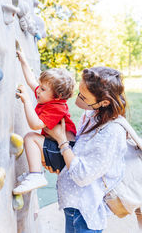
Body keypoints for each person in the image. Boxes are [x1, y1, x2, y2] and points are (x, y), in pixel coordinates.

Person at [43, 66, 127, 233]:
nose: (77, 99)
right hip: (74, 205)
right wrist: (61, 167)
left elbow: (82, 175)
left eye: (83, 96)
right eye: (79, 91)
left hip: (84, 211)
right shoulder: (91, 116)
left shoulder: (111, 132)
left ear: (104, 102)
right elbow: (79, 155)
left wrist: (61, 140)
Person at [12, 50, 76, 195]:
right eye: (40, 87)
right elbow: (31, 81)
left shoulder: (57, 107)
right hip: (57, 147)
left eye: (43, 89)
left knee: (31, 138)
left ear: (58, 96)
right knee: (33, 142)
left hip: (64, 152)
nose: (38, 91)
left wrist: (27, 101)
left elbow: (34, 125)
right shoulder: (48, 97)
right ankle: (34, 172)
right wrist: (23, 60)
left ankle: (36, 175)